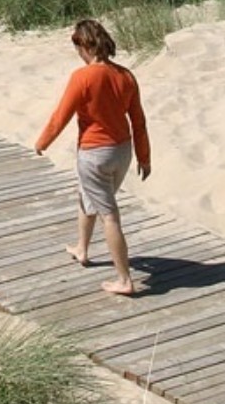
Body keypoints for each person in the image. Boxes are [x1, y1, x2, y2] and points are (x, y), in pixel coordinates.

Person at [33, 19, 151, 295]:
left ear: (85, 45)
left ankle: (124, 280)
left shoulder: (83, 77)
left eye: (77, 46)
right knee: (88, 196)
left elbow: (60, 116)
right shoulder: (126, 76)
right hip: (122, 151)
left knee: (109, 214)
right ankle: (82, 248)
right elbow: (139, 122)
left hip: (94, 153)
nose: (77, 53)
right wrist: (144, 157)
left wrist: (43, 142)